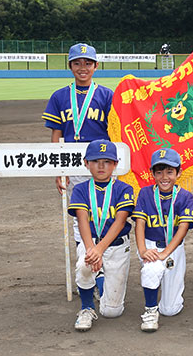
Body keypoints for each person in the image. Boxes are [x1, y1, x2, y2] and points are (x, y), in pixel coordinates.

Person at [43, 43, 115, 294]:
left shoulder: (106, 95)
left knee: (103, 212)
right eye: (77, 63)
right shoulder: (60, 96)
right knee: (79, 215)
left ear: (96, 66)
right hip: (72, 160)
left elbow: (114, 131)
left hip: (100, 161)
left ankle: (101, 266)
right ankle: (86, 268)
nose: (82, 68)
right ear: (70, 66)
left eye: (87, 63)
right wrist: (57, 169)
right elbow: (57, 133)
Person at [67, 139, 134, 331]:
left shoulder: (123, 189)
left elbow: (120, 221)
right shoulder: (80, 189)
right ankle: (86, 307)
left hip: (116, 246)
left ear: (115, 164)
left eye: (107, 161)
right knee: (83, 264)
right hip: (90, 243)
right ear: (86, 163)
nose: (101, 166)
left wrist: (100, 250)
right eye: (95, 161)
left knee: (112, 312)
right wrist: (91, 250)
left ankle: (101, 278)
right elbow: (82, 220)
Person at [131, 149, 193, 332]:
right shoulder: (145, 193)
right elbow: (140, 224)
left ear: (179, 172)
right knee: (151, 269)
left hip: (173, 249)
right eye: (158, 172)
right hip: (151, 244)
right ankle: (150, 311)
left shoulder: (185, 196)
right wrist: (143, 250)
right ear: (152, 173)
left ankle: (169, 291)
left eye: (169, 171)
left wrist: (165, 253)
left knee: (170, 309)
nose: (164, 177)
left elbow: (182, 229)